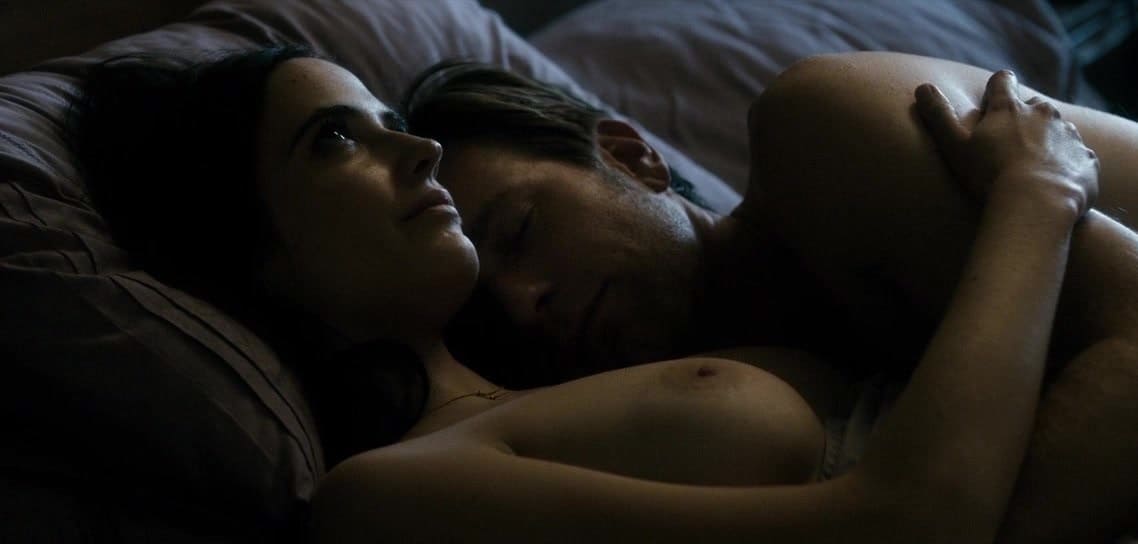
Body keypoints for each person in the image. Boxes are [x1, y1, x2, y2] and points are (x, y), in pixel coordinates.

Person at [70, 45, 1102, 543]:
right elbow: (911, 523)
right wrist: (1038, 197)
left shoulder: (554, 389)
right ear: (255, 251)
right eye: (335, 140)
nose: (418, 152)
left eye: (390, 122)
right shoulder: (382, 496)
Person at [402, 54, 1138, 542]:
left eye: (521, 231)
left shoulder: (818, 132)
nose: (524, 303)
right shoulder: (716, 418)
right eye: (489, 318)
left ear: (632, 156)